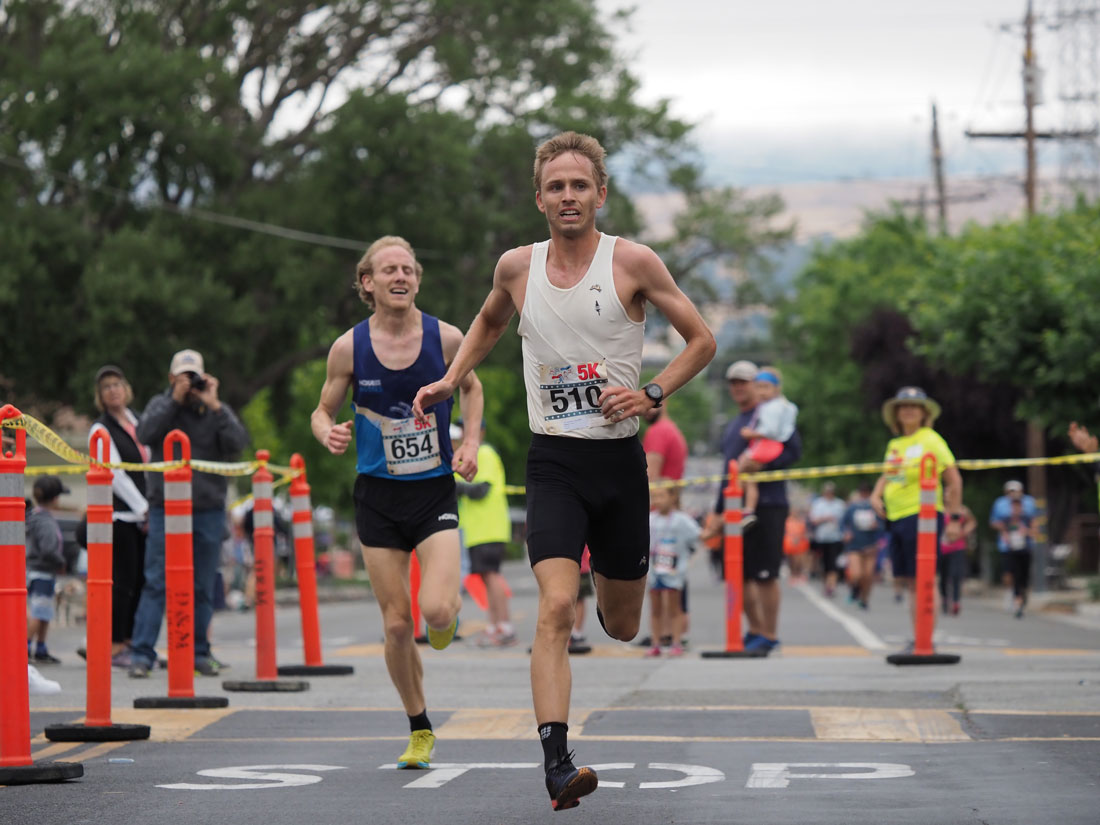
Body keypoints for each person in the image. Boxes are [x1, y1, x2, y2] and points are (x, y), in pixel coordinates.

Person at [411, 131, 715, 811]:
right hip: (553, 461)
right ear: (539, 197)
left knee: (622, 621)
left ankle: (612, 604)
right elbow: (489, 324)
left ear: (600, 194)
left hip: (618, 464)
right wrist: (449, 379)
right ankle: (557, 762)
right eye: (556, 186)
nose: (568, 196)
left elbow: (702, 340)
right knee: (554, 604)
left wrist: (652, 393)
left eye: (580, 185)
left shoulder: (632, 261)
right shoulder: (516, 267)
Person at [311, 235, 482, 772]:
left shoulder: (447, 339)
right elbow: (322, 410)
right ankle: (420, 727)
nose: (400, 277)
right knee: (393, 625)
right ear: (368, 282)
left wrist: (471, 441)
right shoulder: (349, 348)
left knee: (433, 610)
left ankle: (445, 617)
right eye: (389, 270)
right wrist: (326, 434)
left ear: (417, 278)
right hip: (377, 496)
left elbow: (473, 389)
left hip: (432, 490)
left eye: (408, 268)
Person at [129, 349, 250, 679]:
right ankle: (141, 654)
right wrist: (174, 399)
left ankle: (198, 652)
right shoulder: (160, 404)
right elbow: (144, 434)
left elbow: (238, 443)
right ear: (171, 379)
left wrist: (215, 404)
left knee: (202, 584)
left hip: (208, 510)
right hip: (165, 508)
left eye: (194, 376)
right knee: (156, 581)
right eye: (183, 377)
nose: (190, 383)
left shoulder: (213, 410)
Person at [709, 360, 802, 656]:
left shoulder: (772, 414)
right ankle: (754, 631)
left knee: (764, 573)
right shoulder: (735, 424)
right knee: (738, 573)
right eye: (733, 383)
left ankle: (769, 634)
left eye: (744, 382)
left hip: (768, 504)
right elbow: (728, 468)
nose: (738, 388)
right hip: (735, 507)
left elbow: (793, 450)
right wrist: (718, 509)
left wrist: (763, 464)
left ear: (761, 386)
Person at [870, 386, 962, 650]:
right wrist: (876, 495)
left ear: (924, 413)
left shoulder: (930, 439)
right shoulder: (896, 444)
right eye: (903, 406)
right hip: (897, 516)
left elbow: (954, 479)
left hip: (923, 515)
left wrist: (954, 517)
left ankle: (926, 638)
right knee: (910, 580)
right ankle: (919, 636)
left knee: (925, 577)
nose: (908, 410)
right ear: (896, 414)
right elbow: (890, 474)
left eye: (914, 406)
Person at [89, 365, 150, 668]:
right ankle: (114, 644)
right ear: (100, 396)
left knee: (141, 580)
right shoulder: (100, 428)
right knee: (122, 581)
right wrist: (142, 506)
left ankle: (131, 641)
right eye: (106, 387)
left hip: (142, 515)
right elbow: (115, 474)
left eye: (117, 384)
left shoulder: (139, 421)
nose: (113, 390)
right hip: (119, 515)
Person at [452, 419, 516, 648]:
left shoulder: (485, 453)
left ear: (479, 431)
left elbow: (481, 489)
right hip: (478, 530)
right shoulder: (471, 455)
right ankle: (495, 625)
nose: (461, 434)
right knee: (486, 577)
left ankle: (505, 626)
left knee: (492, 575)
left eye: (464, 428)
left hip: (489, 527)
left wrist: (451, 482)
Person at [641, 405, 690, 648]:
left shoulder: (658, 433)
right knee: (675, 582)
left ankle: (663, 636)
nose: (644, 410)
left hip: (658, 518)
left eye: (651, 404)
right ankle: (673, 634)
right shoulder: (673, 431)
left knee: (660, 585)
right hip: (672, 515)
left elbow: (650, 476)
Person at [738, 368, 798, 530]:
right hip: (766, 448)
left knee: (743, 469)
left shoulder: (774, 408)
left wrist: (751, 434)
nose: (762, 392)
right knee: (747, 477)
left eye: (766, 387)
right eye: (759, 387)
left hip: (768, 449)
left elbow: (772, 433)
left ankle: (744, 507)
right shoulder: (768, 408)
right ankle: (747, 509)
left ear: (776, 389)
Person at [645, 486, 699, 658]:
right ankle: (656, 643)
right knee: (655, 609)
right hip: (654, 571)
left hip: (675, 572)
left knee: (675, 608)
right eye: (654, 496)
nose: (658, 500)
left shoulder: (682, 520)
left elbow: (698, 535)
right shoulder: (650, 519)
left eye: (661, 495)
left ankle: (676, 642)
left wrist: (717, 529)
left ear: (673, 497)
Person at [26, 475, 69, 664]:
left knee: (44, 612)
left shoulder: (34, 517)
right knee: (39, 612)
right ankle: (24, 647)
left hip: (35, 571)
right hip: (43, 572)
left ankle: (41, 648)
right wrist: (61, 562)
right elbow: (48, 549)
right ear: (54, 498)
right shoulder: (46, 522)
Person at [990, 480, 1037, 619]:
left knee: (1024, 576)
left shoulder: (1029, 504)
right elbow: (993, 521)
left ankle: (1021, 596)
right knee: (1009, 572)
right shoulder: (1000, 504)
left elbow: (1035, 524)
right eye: (1011, 491)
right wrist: (1004, 530)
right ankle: (1013, 595)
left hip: (1025, 545)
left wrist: (1028, 532)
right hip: (1007, 545)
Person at [840, 482, 884, 609]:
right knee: (856, 574)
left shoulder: (875, 507)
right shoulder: (852, 508)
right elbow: (842, 524)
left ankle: (864, 599)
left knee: (868, 575)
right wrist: (846, 533)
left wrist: (877, 527)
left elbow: (884, 526)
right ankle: (855, 589)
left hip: (870, 545)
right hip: (855, 545)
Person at [808, 481, 847, 597]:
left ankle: (832, 586)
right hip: (822, 538)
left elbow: (845, 521)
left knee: (833, 563)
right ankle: (826, 584)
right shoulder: (818, 504)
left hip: (836, 538)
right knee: (824, 563)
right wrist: (825, 519)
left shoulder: (840, 504)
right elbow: (813, 520)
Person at [939, 502, 976, 616]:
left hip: (957, 547)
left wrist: (963, 532)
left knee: (956, 575)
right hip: (942, 547)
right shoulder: (939, 508)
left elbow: (972, 522)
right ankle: (944, 599)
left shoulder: (962, 510)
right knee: (943, 576)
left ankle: (955, 601)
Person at [782, 506, 811, 584]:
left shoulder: (801, 522)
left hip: (800, 543)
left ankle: (798, 574)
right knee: (791, 560)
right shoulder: (787, 521)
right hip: (789, 543)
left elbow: (804, 532)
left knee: (799, 560)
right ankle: (793, 574)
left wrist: (800, 538)